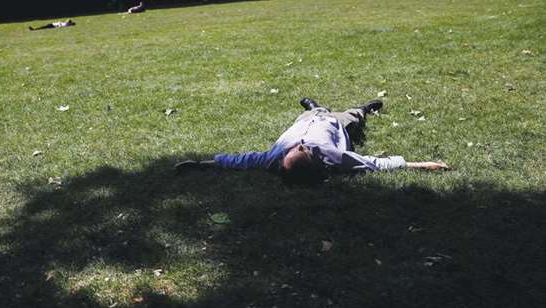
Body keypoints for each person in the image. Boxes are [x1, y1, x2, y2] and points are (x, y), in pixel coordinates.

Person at [175, 98, 449, 186]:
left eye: (297, 148)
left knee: (311, 110)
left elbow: (238, 160)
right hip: (335, 123)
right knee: (354, 117)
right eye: (304, 149)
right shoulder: (335, 157)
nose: (301, 146)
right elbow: (376, 163)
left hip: (307, 118)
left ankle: (314, 105)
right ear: (318, 161)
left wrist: (202, 164)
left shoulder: (273, 157)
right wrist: (422, 164)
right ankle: (365, 107)